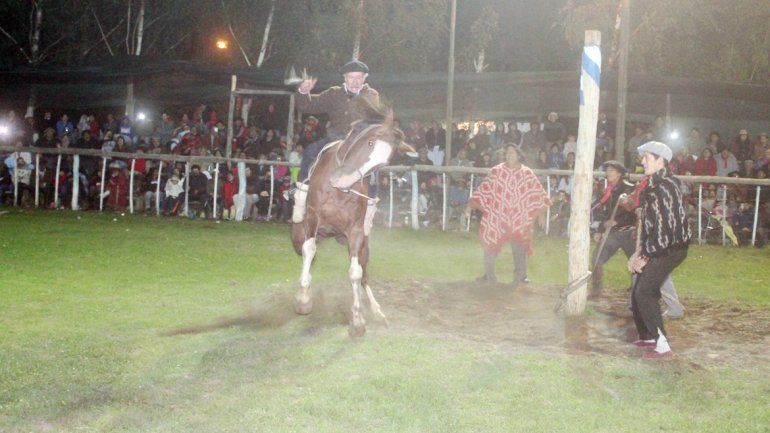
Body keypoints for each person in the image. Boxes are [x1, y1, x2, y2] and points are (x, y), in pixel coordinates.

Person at [291, 59, 380, 224]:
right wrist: (303, 91)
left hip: (360, 141)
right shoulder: (333, 93)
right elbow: (308, 106)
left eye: (359, 77)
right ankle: (301, 196)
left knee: (374, 165)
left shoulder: (371, 95)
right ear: (345, 78)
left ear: (365, 78)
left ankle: (370, 207)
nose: (355, 81)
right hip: (335, 138)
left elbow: (374, 117)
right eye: (351, 77)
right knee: (310, 151)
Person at [628, 141, 691, 359]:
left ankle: (662, 345)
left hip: (671, 248)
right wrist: (638, 253)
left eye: (647, 157)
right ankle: (646, 335)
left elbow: (665, 231)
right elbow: (649, 224)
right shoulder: (651, 184)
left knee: (644, 291)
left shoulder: (664, 186)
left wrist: (644, 257)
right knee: (640, 287)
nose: (642, 161)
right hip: (660, 245)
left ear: (660, 160)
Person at [464, 144, 551, 285]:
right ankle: (489, 275)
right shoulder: (496, 171)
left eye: (513, 153)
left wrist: (540, 214)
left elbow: (536, 193)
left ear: (518, 155)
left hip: (519, 217)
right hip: (497, 216)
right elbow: (484, 189)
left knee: (520, 247)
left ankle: (521, 276)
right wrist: (470, 206)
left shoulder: (526, 173)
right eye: (507, 153)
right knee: (490, 245)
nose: (510, 155)